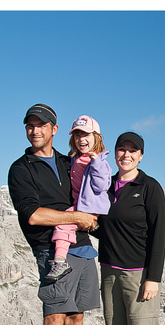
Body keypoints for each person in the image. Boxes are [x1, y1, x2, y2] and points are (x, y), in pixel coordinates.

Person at [7, 103, 101, 325]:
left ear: (54, 129)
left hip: (84, 249)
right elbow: (33, 215)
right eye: (30, 126)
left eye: (41, 125)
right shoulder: (22, 168)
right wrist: (76, 217)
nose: (35, 130)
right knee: (54, 321)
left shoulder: (68, 161)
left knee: (76, 320)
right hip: (51, 251)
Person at [95, 132, 165, 325]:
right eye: (121, 150)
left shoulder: (149, 188)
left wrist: (153, 278)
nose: (126, 155)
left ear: (141, 156)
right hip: (109, 272)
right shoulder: (107, 185)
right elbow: (103, 227)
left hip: (138, 275)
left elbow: (158, 234)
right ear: (114, 154)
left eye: (132, 151)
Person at [46, 115, 111, 282]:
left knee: (63, 224)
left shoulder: (99, 161)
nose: (81, 139)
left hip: (89, 207)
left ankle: (60, 261)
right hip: (79, 204)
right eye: (77, 135)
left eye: (86, 135)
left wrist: (96, 163)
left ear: (97, 137)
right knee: (66, 223)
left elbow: (102, 185)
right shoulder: (76, 157)